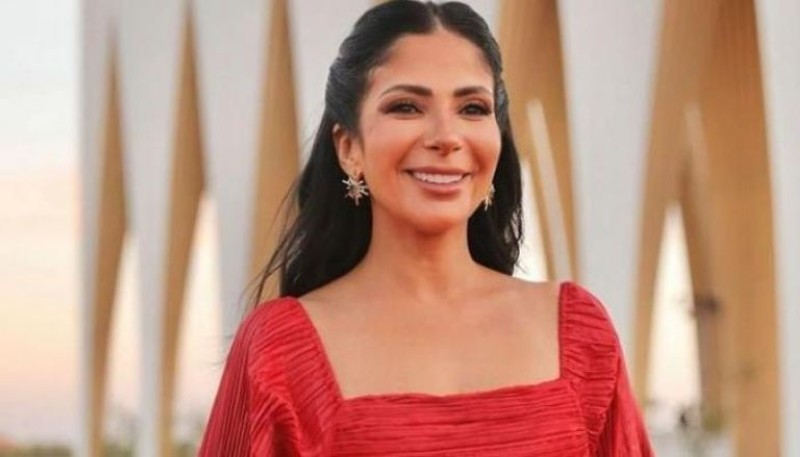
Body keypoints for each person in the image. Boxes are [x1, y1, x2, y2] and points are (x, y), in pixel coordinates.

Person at [199, 1, 653, 455]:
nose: (446, 137)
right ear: (349, 147)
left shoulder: (578, 333)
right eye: (407, 107)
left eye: (472, 108)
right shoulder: (281, 351)